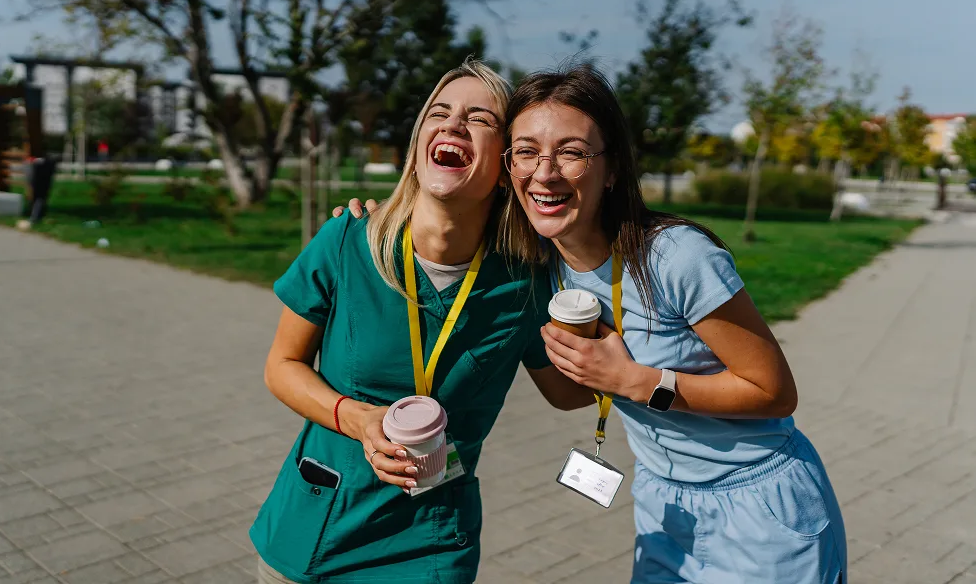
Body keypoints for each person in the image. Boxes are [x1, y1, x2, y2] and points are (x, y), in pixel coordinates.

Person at [339, 65, 847, 584]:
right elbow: (565, 390)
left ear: (612, 171)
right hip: (662, 504)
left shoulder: (676, 258)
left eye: (573, 152)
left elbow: (775, 392)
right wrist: (383, 218)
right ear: (507, 167)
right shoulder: (538, 262)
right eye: (527, 151)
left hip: (757, 503)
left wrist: (635, 382)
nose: (546, 171)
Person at [252, 59, 592, 584]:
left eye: (479, 118)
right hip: (315, 530)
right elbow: (282, 365)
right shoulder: (346, 242)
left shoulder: (525, 283)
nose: (454, 124)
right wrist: (359, 419)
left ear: (506, 166)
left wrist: (609, 335)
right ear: (417, 146)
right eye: (440, 112)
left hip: (430, 545)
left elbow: (569, 395)